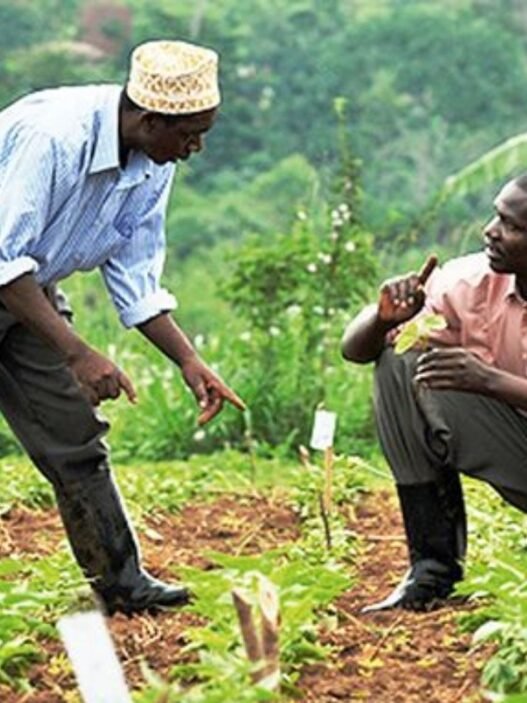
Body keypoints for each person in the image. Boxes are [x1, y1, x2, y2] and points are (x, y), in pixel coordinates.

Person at [0, 40, 245, 615]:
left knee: (76, 438)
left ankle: (123, 584)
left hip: (25, 298)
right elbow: (3, 260)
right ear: (149, 118)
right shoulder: (54, 138)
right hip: (15, 282)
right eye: (189, 134)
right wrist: (77, 353)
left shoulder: (151, 164)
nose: (195, 148)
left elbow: (135, 276)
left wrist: (189, 361)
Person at [341, 173, 527, 612]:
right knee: (401, 361)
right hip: (517, 449)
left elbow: (487, 382)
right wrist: (384, 319)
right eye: (496, 215)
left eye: (512, 225)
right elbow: (355, 350)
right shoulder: (472, 280)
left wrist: (488, 380)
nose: (491, 230)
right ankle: (432, 569)